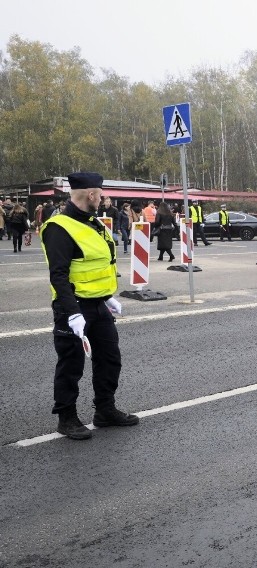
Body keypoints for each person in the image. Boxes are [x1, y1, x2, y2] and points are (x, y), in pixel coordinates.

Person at [40, 171, 138, 441]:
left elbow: (96, 266)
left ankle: (105, 411)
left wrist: (107, 297)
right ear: (91, 195)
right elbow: (58, 275)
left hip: (99, 305)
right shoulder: (59, 228)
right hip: (73, 309)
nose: (103, 198)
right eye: (101, 194)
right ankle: (67, 417)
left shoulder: (94, 223)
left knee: (109, 359)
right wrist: (72, 313)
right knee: (71, 364)